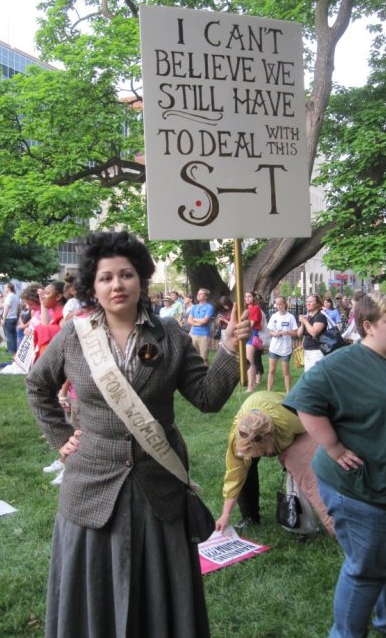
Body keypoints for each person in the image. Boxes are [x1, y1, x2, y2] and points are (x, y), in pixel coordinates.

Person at [26, 230, 251, 638]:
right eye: (107, 277)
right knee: (93, 589)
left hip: (158, 484)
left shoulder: (169, 334)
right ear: (94, 286)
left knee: (160, 592)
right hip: (91, 484)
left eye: (126, 275)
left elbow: (207, 397)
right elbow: (37, 385)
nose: (117, 285)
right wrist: (60, 438)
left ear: (141, 280)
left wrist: (230, 351)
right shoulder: (74, 337)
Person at [285, 292, 386, 638]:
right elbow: (306, 402)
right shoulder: (342, 363)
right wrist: (332, 447)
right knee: (367, 570)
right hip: (367, 491)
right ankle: (346, 634)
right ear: (368, 326)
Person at [215, 390, 333, 534]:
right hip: (258, 415)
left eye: (260, 452)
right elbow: (234, 476)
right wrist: (225, 514)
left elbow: (313, 429)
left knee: (299, 466)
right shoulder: (238, 438)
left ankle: (314, 523)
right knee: (245, 468)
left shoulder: (289, 421)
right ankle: (250, 517)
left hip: (292, 421)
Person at [267, 296, 298, 392]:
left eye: (281, 303)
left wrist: (287, 332)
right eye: (277, 304)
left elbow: (295, 332)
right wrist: (275, 333)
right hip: (274, 348)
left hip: (285, 348)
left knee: (286, 372)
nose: (278, 306)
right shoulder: (274, 316)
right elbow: (270, 332)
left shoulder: (290, 317)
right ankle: (269, 391)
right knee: (271, 371)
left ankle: (288, 393)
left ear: (285, 304)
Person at [297, 294, 327, 371]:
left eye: (310, 302)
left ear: (317, 304)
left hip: (316, 351)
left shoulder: (320, 316)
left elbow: (314, 332)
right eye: (307, 302)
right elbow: (299, 334)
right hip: (308, 351)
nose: (308, 303)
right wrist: (302, 324)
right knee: (308, 376)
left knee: (315, 376)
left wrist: (305, 321)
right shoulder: (309, 317)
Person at [242, 291, 264, 391]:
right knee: (250, 361)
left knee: (249, 361)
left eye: (249, 296)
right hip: (247, 334)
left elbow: (251, 324)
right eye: (246, 296)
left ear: (254, 297)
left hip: (251, 334)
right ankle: (252, 383)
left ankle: (250, 386)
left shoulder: (255, 308)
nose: (247, 298)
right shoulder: (246, 309)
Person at [188, 288, 214, 366]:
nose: (198, 295)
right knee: (194, 357)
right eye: (198, 294)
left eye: (200, 294)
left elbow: (204, 321)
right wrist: (198, 323)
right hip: (193, 334)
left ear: (206, 296)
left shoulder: (209, 307)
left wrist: (194, 319)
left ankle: (206, 375)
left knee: (204, 358)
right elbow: (189, 320)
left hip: (204, 335)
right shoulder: (194, 307)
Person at [1, 282, 20, 355]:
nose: (4, 288)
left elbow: (7, 308)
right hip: (14, 317)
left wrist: (3, 318)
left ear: (9, 288)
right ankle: (13, 349)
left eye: (5, 287)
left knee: (8, 335)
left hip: (9, 317)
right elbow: (19, 308)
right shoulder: (15, 296)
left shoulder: (9, 297)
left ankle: (11, 351)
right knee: (14, 334)